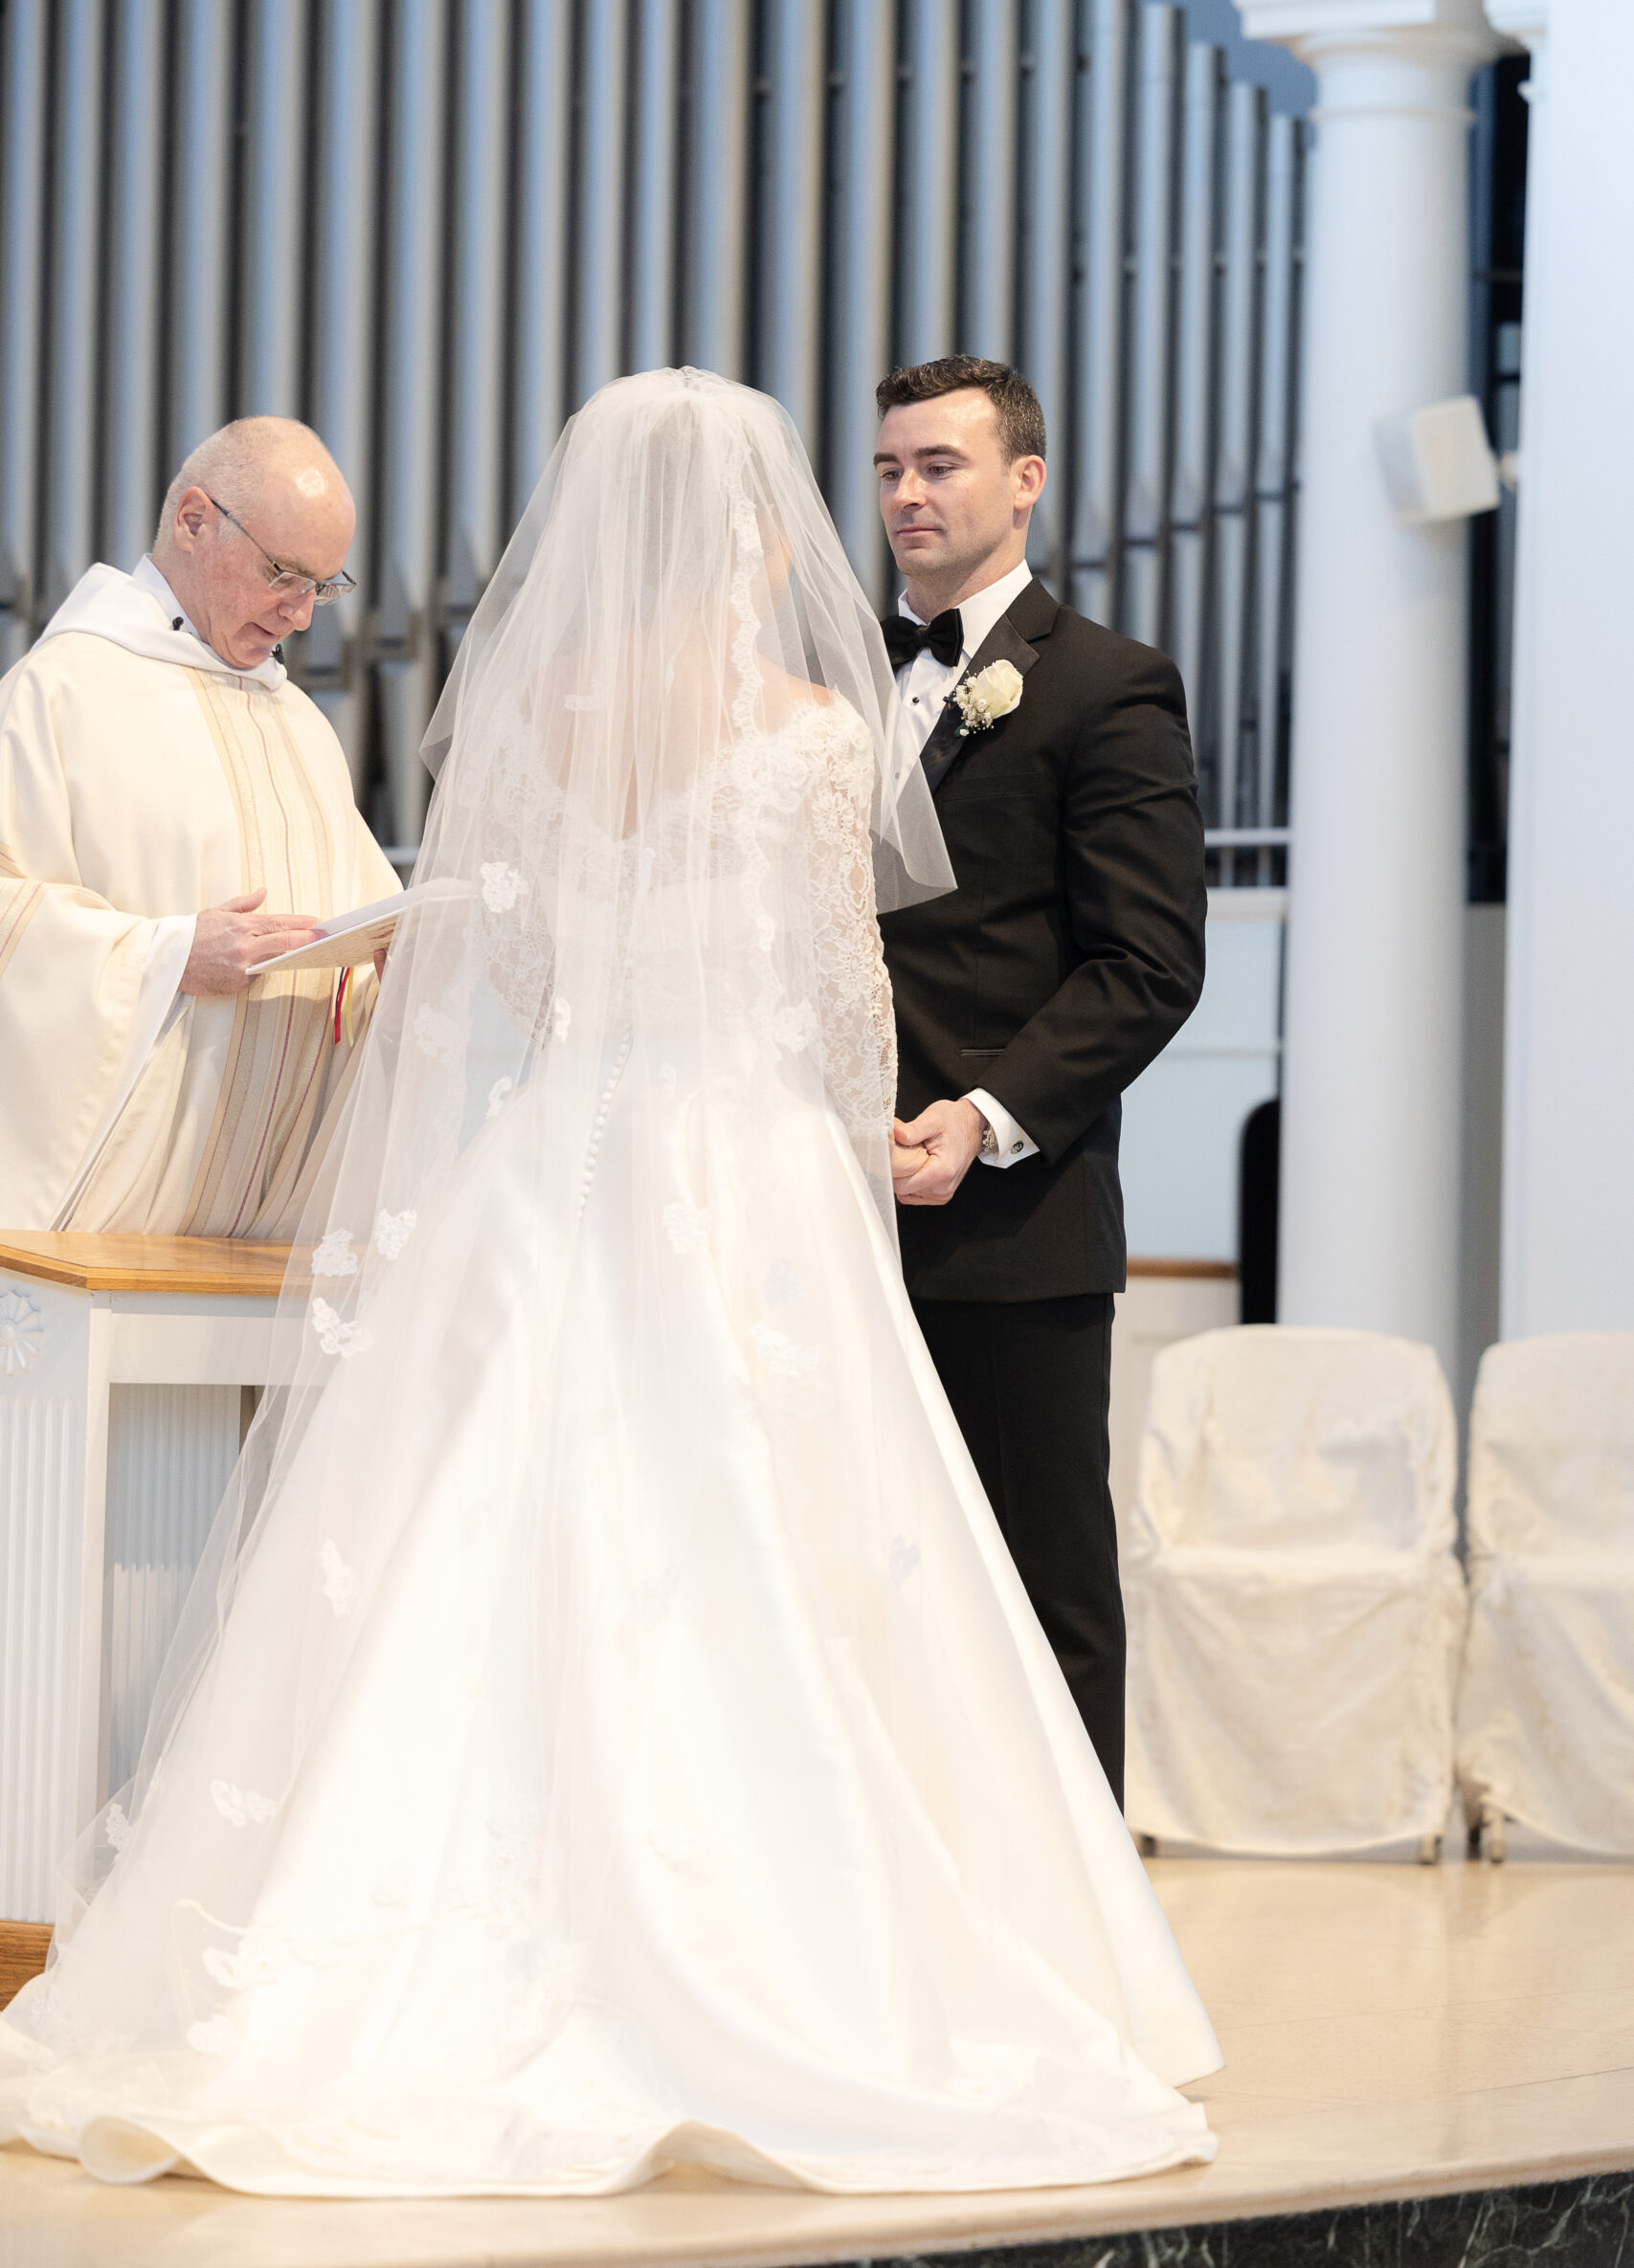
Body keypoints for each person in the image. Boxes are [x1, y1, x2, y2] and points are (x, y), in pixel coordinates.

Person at [0, 371, 1218, 2196]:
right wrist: (838, 1189)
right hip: (744, 1177)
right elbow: (835, 997)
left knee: (469, 1550)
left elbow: (537, 988)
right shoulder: (812, 727)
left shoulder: (538, 710)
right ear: (747, 524)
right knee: (762, 1556)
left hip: (549, 1175)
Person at [874, 356, 1207, 1808]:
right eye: (886, 468)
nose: (903, 495)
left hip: (1010, 1226)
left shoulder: (1104, 686)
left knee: (1043, 1600)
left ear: (1025, 480)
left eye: (938, 465)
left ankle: (1081, 1971)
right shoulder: (842, 683)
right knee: (872, 1600)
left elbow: (1145, 961)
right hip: (830, 1219)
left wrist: (983, 1120)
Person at [0, 418, 397, 1238]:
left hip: (276, 1228)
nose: (300, 617)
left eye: (323, 587)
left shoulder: (300, 724)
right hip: (106, 1234)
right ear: (192, 520)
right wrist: (169, 955)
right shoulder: (62, 692)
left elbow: (366, 915)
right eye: (283, 574)